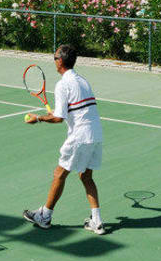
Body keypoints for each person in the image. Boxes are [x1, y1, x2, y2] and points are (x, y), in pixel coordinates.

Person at [23, 44, 105, 235]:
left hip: (80, 136)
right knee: (86, 176)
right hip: (96, 134)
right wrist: (56, 114)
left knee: (59, 174)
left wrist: (39, 118)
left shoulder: (62, 85)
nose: (54, 60)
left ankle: (45, 216)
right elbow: (74, 109)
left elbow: (59, 118)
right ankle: (97, 221)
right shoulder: (83, 81)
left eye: (54, 57)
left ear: (60, 61)